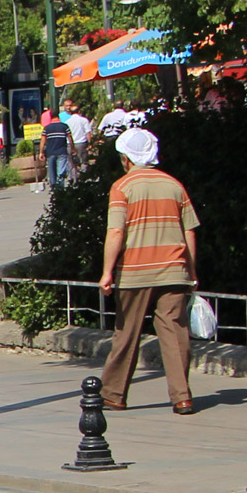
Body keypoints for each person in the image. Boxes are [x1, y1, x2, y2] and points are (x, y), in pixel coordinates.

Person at [97, 126, 200, 415]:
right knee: (175, 333)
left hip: (134, 271)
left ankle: (113, 395)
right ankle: (182, 397)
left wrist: (107, 272)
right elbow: (189, 231)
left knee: (127, 332)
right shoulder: (174, 185)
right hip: (174, 269)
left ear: (127, 158)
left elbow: (116, 231)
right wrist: (191, 271)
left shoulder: (122, 187)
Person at [41, 110, 73, 189]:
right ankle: (60, 189)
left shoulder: (47, 128)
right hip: (62, 152)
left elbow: (43, 141)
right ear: (58, 116)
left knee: (51, 171)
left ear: (50, 117)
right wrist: (72, 148)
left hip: (50, 152)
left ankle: (53, 187)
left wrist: (41, 152)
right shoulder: (64, 126)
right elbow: (70, 138)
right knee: (61, 172)